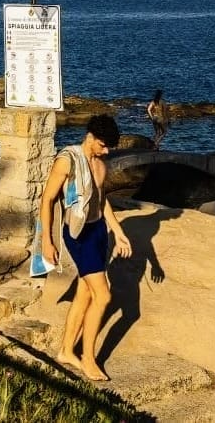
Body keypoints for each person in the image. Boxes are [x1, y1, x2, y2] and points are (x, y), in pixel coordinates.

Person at [40, 114, 132, 381]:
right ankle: (89, 359)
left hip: (98, 231)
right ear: (91, 136)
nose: (106, 151)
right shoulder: (66, 161)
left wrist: (118, 230)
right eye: (103, 145)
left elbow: (101, 201)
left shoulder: (101, 166)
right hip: (77, 234)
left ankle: (67, 350)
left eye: (109, 147)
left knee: (85, 294)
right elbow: (47, 200)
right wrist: (47, 240)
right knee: (103, 296)